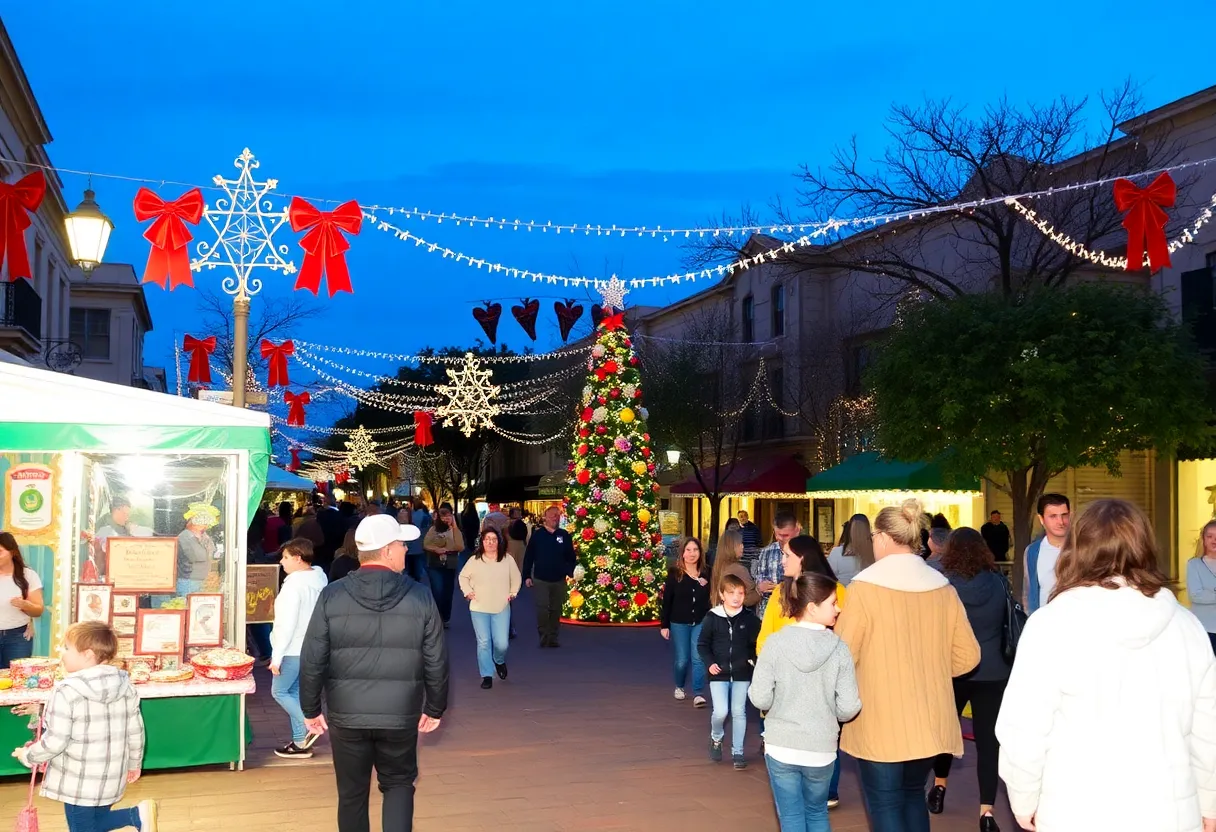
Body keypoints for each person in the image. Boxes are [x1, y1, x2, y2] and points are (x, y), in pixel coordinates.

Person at [996, 499, 1216, 832]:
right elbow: (1208, 731)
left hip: (1076, 808)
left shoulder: (1050, 625)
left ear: (1077, 548)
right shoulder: (1187, 627)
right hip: (1168, 810)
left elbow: (1024, 727)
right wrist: (1210, 803)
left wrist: (1023, 797)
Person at [834, 498, 980, 832]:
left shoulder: (864, 588)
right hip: (930, 717)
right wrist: (930, 670)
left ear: (883, 537)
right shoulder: (943, 587)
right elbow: (968, 656)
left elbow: (843, 656)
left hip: (879, 718)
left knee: (885, 802)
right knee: (913, 794)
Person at [300, 513, 448, 832]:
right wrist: (434, 707)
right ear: (386, 551)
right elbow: (436, 658)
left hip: (347, 714)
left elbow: (313, 656)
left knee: (351, 794)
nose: (406, 550)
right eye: (401, 544)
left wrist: (310, 708)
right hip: (400, 713)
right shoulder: (420, 595)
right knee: (398, 784)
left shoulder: (332, 594)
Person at [12, 621, 158, 832]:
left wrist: (28, 755)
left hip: (78, 781)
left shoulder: (66, 691)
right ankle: (136, 815)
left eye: (67, 648)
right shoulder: (126, 686)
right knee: (97, 823)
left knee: (83, 828)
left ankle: (136, 815)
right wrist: (134, 763)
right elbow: (136, 731)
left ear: (88, 654)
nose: (61, 653)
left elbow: (55, 740)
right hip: (111, 775)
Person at [750, 572, 862, 832]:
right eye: (833, 603)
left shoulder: (775, 644)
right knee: (817, 813)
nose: (839, 607)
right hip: (821, 746)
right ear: (812, 608)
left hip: (781, 745)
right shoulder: (839, 648)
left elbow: (760, 696)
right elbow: (848, 707)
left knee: (790, 817)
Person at [928, 528, 1012, 832]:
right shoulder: (999, 582)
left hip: (954, 669)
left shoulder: (943, 584)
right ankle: (987, 811)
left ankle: (938, 787)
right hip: (993, 672)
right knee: (989, 743)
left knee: (946, 733)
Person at [757, 534, 848, 809]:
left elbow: (844, 636)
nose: (782, 560)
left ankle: (828, 790)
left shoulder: (838, 591)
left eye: (787, 555)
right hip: (786, 678)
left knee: (827, 731)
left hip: (822, 679)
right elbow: (765, 635)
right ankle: (798, 789)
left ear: (803, 559)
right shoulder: (780, 593)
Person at [269, 538, 328, 759]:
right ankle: (300, 741)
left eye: (285, 557)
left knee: (280, 691)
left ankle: (312, 723)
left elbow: (286, 623)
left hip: (293, 648)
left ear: (298, 558)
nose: (282, 562)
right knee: (294, 692)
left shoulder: (293, 585)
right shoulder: (319, 577)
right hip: (315, 646)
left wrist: (276, 657)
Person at [697, 572, 760, 769]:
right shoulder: (712, 617)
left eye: (740, 593)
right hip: (718, 673)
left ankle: (738, 752)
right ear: (722, 595)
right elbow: (702, 644)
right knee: (721, 711)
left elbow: (757, 644)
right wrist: (709, 663)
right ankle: (716, 736)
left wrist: (752, 661)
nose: (736, 597)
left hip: (742, 672)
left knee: (739, 712)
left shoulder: (750, 619)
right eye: (731, 593)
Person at [459, 528, 521, 690]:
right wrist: (467, 591)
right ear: (482, 542)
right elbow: (463, 577)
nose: (491, 542)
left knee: (502, 643)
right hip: (479, 607)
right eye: (487, 539)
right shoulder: (474, 560)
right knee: (484, 641)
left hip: (501, 606)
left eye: (494, 539)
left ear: (499, 542)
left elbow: (516, 578)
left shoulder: (507, 560)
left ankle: (499, 660)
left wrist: (513, 592)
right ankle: (487, 674)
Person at [661, 536, 712, 708]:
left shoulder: (706, 573)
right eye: (688, 550)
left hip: (700, 621)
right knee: (682, 659)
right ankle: (680, 686)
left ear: (700, 553)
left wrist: (706, 585)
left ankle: (698, 693)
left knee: (698, 658)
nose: (692, 554)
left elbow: (711, 599)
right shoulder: (675, 574)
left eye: (695, 550)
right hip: (679, 622)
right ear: (682, 553)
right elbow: (667, 600)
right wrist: (664, 625)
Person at [521, 505, 577, 648]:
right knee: (542, 608)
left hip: (559, 579)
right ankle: (543, 635)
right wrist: (526, 576)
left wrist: (570, 571)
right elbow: (529, 556)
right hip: (541, 579)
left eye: (557, 515)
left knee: (556, 609)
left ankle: (553, 637)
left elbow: (571, 557)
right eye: (552, 515)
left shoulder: (564, 535)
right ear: (545, 517)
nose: (555, 518)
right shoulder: (538, 535)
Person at [0, 532, 43, 669]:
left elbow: (38, 610)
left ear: (12, 552)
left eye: (0, 551)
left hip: (18, 637)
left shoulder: (28, 575)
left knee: (17, 679)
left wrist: (26, 605)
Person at [1023, 493, 1070, 613]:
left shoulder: (1084, 549)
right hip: (1044, 626)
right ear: (1041, 519)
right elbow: (1028, 592)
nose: (1060, 522)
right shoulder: (1033, 551)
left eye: (1064, 515)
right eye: (1053, 516)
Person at [751, 511, 801, 618]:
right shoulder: (766, 552)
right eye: (777, 534)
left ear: (797, 531)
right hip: (768, 613)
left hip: (795, 613)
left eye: (785, 535)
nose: (780, 538)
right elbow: (758, 579)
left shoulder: (806, 551)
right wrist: (759, 587)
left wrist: (781, 588)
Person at [423, 506, 465, 628]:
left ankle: (446, 616)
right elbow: (426, 544)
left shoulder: (455, 530)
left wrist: (454, 527)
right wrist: (436, 549)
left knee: (448, 591)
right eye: (443, 516)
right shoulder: (433, 529)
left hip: (450, 562)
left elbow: (460, 546)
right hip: (435, 563)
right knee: (437, 591)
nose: (446, 519)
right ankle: (438, 616)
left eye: (448, 516)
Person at [709, 528, 761, 608]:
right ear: (731, 547)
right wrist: (760, 590)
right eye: (739, 544)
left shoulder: (718, 567)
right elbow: (747, 600)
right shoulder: (738, 569)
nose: (742, 546)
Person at [177, 503, 220, 595]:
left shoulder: (203, 537)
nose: (206, 524)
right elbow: (198, 556)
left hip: (200, 580)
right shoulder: (185, 536)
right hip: (188, 581)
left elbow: (213, 551)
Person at [1187, 519, 1216, 654]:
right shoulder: (1194, 565)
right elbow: (1196, 595)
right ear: (1203, 539)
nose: (1214, 540)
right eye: (1209, 536)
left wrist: (1210, 592)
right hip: (1206, 629)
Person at [827, 514, 871, 587]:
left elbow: (828, 576)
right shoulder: (874, 553)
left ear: (849, 530)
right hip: (866, 595)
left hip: (843, 595)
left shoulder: (837, 552)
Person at [407, 499, 432, 583]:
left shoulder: (413, 515)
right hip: (421, 544)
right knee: (419, 566)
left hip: (412, 545)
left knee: (412, 568)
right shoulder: (426, 515)